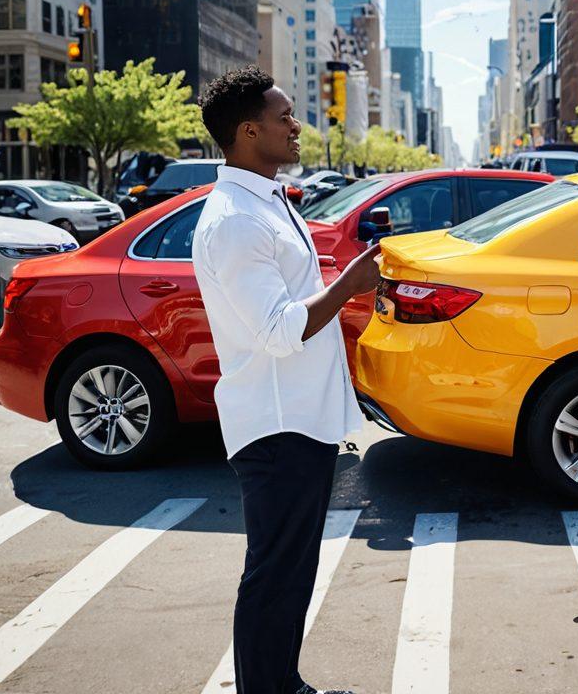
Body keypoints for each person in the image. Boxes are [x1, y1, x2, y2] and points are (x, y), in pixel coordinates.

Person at [191, 66, 381, 694]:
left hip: (300, 417)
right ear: (248, 132)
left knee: (290, 573)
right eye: (283, 118)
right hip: (275, 425)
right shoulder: (236, 221)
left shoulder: (262, 201)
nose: (296, 126)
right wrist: (347, 285)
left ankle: (282, 684)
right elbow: (278, 330)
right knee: (274, 574)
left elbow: (295, 299)